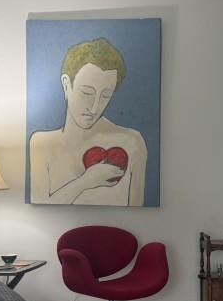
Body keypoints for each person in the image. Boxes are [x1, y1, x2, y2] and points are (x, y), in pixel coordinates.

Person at [29, 38, 147, 205]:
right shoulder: (41, 144)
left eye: (105, 95)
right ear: (66, 84)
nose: (94, 108)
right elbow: (40, 205)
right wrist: (85, 182)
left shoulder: (132, 142)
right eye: (87, 93)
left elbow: (138, 212)